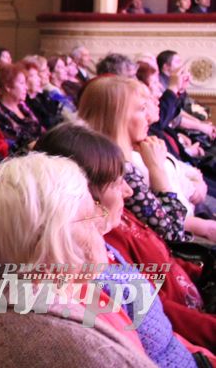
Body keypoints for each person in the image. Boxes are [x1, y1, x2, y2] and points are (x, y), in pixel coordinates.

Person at [0, 153, 191, 368]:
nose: (101, 219)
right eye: (89, 214)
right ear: (50, 241)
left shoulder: (11, 287)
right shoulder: (78, 348)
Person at [35, 123, 216, 349]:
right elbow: (155, 310)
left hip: (195, 302)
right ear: (87, 196)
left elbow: (166, 259)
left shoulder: (118, 216)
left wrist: (201, 272)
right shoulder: (99, 250)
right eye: (117, 184)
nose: (129, 191)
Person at [78, 76, 188, 242]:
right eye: (142, 109)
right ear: (118, 117)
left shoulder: (102, 156)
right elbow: (173, 233)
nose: (149, 118)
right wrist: (157, 168)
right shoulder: (118, 167)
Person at [0, 62, 42, 153]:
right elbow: (18, 141)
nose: (26, 87)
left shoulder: (23, 107)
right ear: (8, 87)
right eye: (22, 83)